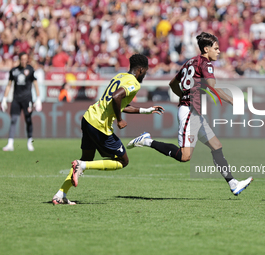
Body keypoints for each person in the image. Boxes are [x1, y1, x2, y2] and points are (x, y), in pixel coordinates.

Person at [127, 32, 253, 196]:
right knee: (184, 156)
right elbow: (213, 87)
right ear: (206, 49)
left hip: (194, 111)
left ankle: (233, 183)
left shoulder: (189, 62)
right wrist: (232, 100)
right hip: (189, 112)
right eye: (216, 48)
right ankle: (147, 141)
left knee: (216, 146)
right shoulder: (206, 64)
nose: (219, 51)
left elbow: (172, 83)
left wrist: (184, 95)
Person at [52, 54, 164, 205]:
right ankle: (82, 166)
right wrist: (119, 119)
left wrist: (147, 110)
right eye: (145, 71)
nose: (145, 74)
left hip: (88, 118)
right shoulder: (134, 83)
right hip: (100, 125)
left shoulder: (120, 76)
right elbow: (116, 97)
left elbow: (121, 104)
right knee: (123, 161)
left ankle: (60, 194)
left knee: (86, 159)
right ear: (141, 70)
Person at [1, 52, 42, 151]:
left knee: (28, 120)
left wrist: (38, 98)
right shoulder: (14, 71)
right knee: (14, 120)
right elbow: (9, 85)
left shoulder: (30, 69)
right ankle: (10, 143)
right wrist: (4, 99)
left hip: (27, 99)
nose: (24, 61)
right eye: (22, 59)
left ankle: (30, 142)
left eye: (25, 59)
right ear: (19, 59)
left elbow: (35, 84)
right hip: (16, 99)